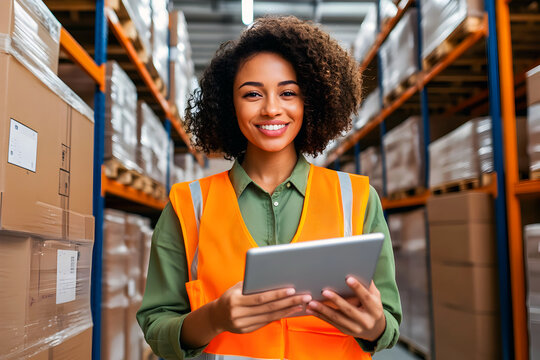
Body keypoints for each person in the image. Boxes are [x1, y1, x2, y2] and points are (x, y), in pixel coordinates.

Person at [137, 16, 401, 360]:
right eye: (252, 94)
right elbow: (157, 326)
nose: (272, 108)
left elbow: (390, 324)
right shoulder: (189, 205)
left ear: (311, 101)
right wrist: (213, 317)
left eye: (288, 92)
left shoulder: (358, 198)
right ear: (229, 105)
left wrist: (375, 327)